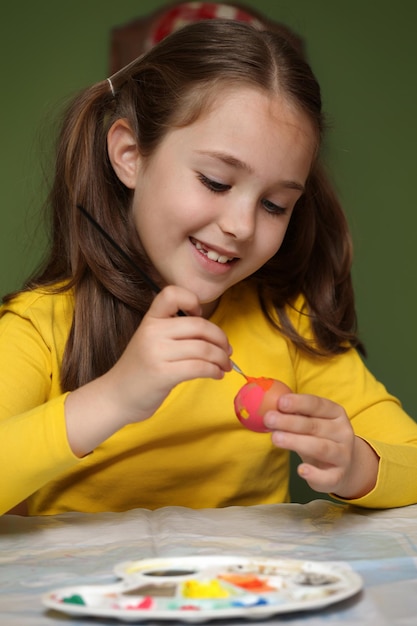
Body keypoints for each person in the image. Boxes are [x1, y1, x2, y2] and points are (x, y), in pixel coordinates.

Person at [1, 19, 416, 517]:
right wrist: (114, 397)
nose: (241, 225)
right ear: (130, 156)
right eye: (216, 182)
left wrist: (355, 465)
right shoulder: (39, 328)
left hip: (247, 593)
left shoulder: (287, 323)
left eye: (275, 205)